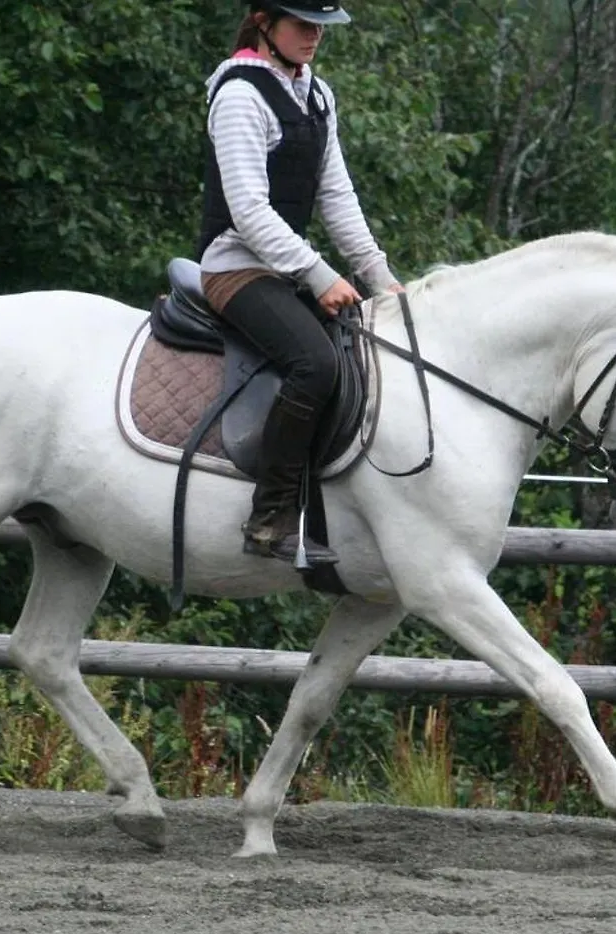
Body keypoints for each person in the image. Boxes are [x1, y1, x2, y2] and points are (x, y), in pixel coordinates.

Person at [196, 0, 404, 567]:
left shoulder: (315, 95)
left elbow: (337, 195)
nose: (314, 36)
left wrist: (381, 278)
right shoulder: (240, 95)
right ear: (264, 22)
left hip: (285, 270)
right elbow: (248, 211)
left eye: (320, 27)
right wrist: (318, 273)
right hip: (234, 268)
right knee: (316, 363)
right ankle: (270, 518)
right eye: (303, 24)